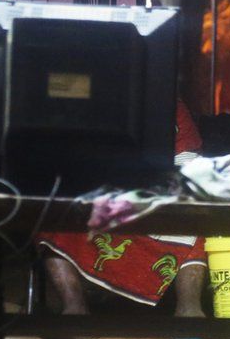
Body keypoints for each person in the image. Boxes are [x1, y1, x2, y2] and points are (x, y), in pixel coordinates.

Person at [37, 100, 207, 318]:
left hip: (156, 194)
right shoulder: (83, 95)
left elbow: (188, 159)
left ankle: (189, 309)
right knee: (50, 213)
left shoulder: (165, 99)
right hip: (94, 194)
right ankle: (74, 308)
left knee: (192, 213)